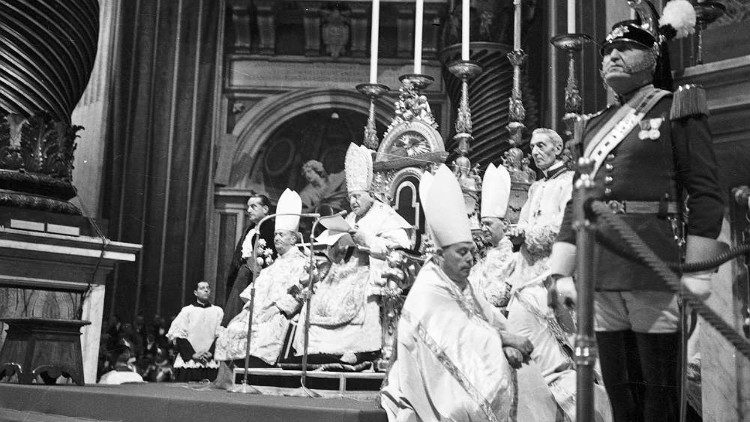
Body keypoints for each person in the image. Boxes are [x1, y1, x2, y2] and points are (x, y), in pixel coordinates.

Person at [547, 5, 724, 421]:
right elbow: (578, 202)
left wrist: (698, 271)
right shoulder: (593, 125)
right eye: (607, 50)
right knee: (620, 393)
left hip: (655, 265)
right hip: (602, 268)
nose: (611, 56)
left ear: (651, 56)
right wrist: (560, 269)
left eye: (625, 48)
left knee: (660, 394)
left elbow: (705, 192)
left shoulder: (675, 109)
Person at [382, 164, 537, 421]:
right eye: (461, 252)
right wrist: (503, 341)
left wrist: (508, 337)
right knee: (470, 404)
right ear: (441, 255)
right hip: (432, 377)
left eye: (471, 251)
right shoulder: (429, 287)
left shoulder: (465, 280)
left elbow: (486, 316)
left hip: (468, 358)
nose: (470, 259)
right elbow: (451, 338)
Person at [305, 143, 412, 362]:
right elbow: (335, 253)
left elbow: (402, 246)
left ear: (370, 194)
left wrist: (367, 240)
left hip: (369, 269)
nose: (353, 202)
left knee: (357, 294)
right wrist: (336, 246)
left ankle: (358, 349)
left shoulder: (385, 215)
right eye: (351, 196)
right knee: (318, 295)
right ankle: (318, 349)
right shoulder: (350, 218)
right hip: (344, 270)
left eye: (358, 197)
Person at [214, 189, 307, 369]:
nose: (276, 238)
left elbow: (301, 288)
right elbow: (260, 288)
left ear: (293, 238)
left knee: (265, 330)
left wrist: (278, 307)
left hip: (279, 313)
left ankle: (257, 372)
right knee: (234, 327)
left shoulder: (302, 262)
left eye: (281, 234)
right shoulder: (273, 265)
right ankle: (236, 375)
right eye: (276, 235)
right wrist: (246, 308)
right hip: (258, 311)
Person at [507, 128, 575, 283]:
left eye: (541, 145)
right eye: (532, 147)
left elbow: (564, 224)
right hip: (527, 268)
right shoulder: (535, 187)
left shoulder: (570, 181)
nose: (535, 152)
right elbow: (524, 220)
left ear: (557, 148)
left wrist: (528, 235)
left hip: (554, 264)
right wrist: (519, 232)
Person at [223, 194, 276, 325]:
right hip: (242, 277)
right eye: (248, 207)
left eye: (253, 206)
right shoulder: (250, 229)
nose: (249, 210)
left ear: (265, 209)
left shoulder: (271, 229)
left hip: (256, 280)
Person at [468, 163, 515, 309]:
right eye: (482, 224)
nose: (483, 228)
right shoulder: (488, 254)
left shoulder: (514, 255)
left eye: (488, 223)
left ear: (505, 224)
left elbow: (501, 296)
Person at [166, 281, 224, 382]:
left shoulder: (218, 311)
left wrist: (211, 352)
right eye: (202, 288)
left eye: (208, 288)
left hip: (210, 362)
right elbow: (178, 334)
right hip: (190, 362)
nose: (206, 290)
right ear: (195, 292)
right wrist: (192, 354)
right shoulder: (187, 310)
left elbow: (221, 334)